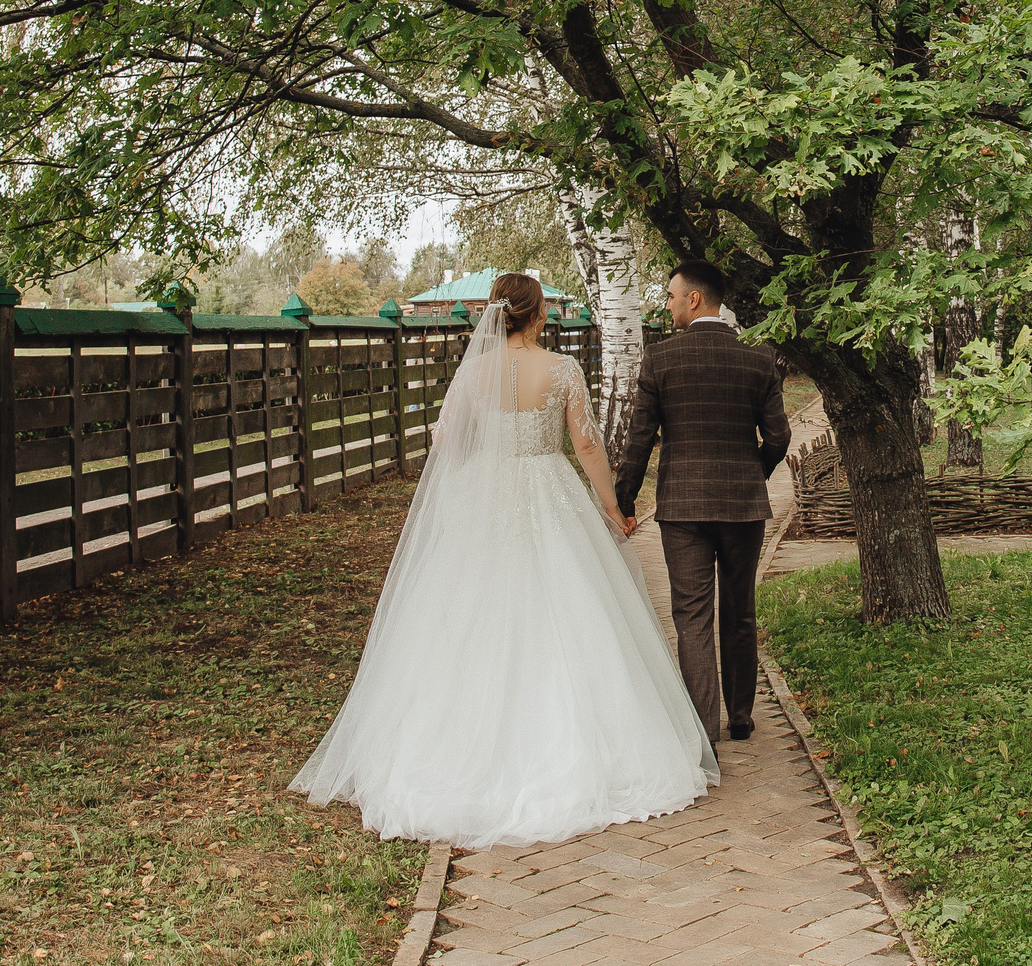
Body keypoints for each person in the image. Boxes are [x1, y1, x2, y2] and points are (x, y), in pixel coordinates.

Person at [290, 273, 715, 847]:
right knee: (568, 611)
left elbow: (445, 443)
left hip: (484, 498)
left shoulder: (474, 373)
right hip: (548, 491)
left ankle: (451, 755)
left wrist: (481, 471)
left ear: (496, 315)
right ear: (538, 315)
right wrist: (612, 508)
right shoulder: (562, 370)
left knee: (469, 615)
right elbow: (586, 445)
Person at [614, 259, 792, 743]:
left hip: (682, 509)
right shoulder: (759, 357)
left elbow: (639, 438)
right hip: (742, 507)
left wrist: (624, 499)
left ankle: (702, 728)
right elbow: (778, 436)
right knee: (741, 609)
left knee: (692, 617)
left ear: (694, 299)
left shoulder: (660, 359)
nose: (667, 305)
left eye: (671, 297)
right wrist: (753, 474)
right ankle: (740, 715)